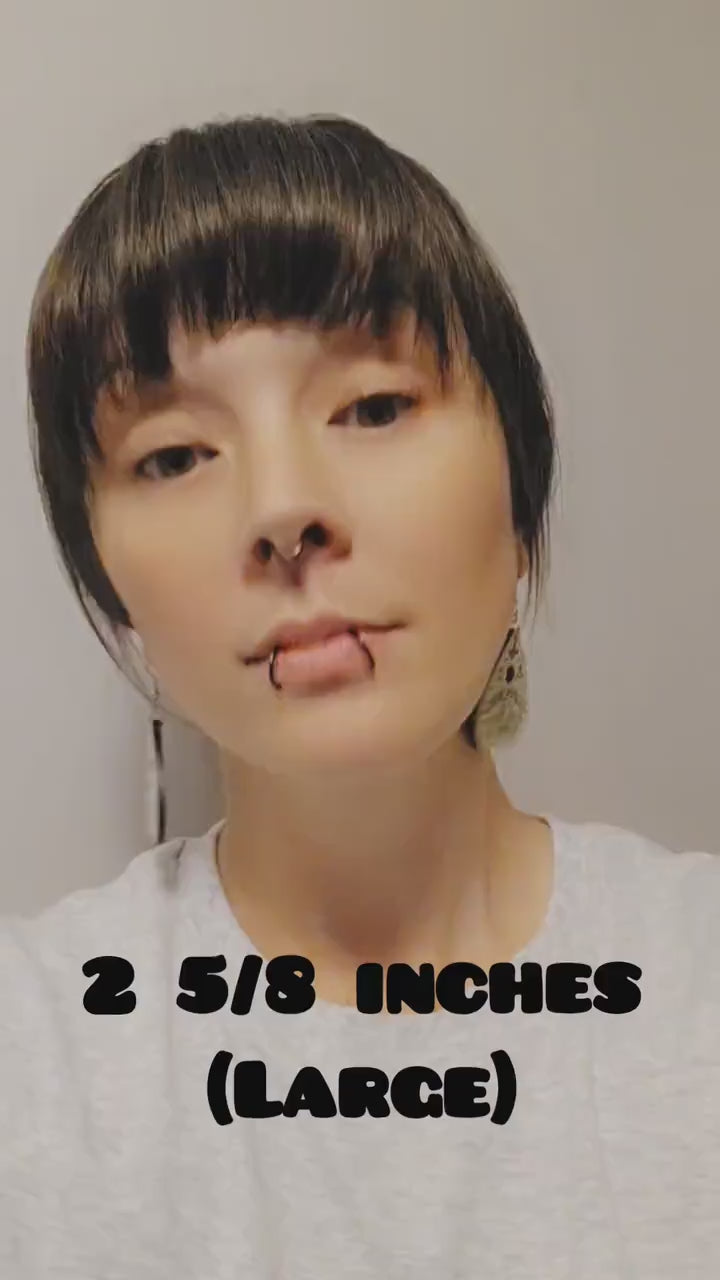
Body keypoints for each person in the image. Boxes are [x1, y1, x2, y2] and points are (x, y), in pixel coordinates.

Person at [2, 111, 718, 1279]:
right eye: (174, 455)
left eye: (374, 407)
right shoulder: (34, 1059)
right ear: (113, 587)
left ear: (521, 495)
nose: (284, 507)